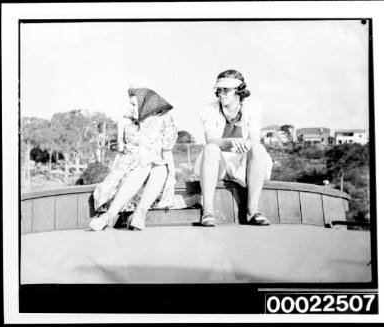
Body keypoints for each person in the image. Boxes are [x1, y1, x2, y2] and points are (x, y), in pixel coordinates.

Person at [89, 87, 178, 231]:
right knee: (144, 165)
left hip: (156, 169)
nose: (130, 109)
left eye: (134, 105)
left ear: (146, 105)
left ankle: (139, 214)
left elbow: (167, 152)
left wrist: (172, 176)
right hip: (133, 167)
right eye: (130, 104)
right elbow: (124, 154)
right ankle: (109, 215)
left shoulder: (164, 120)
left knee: (160, 167)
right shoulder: (129, 124)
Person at [194, 69, 273, 227]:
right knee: (211, 148)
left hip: (243, 165)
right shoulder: (208, 110)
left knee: (258, 149)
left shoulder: (253, 107)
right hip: (218, 164)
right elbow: (211, 139)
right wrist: (230, 142)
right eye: (219, 89)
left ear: (239, 91)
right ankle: (208, 211)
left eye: (226, 90)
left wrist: (246, 144)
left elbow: (254, 140)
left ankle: (252, 211)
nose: (221, 93)